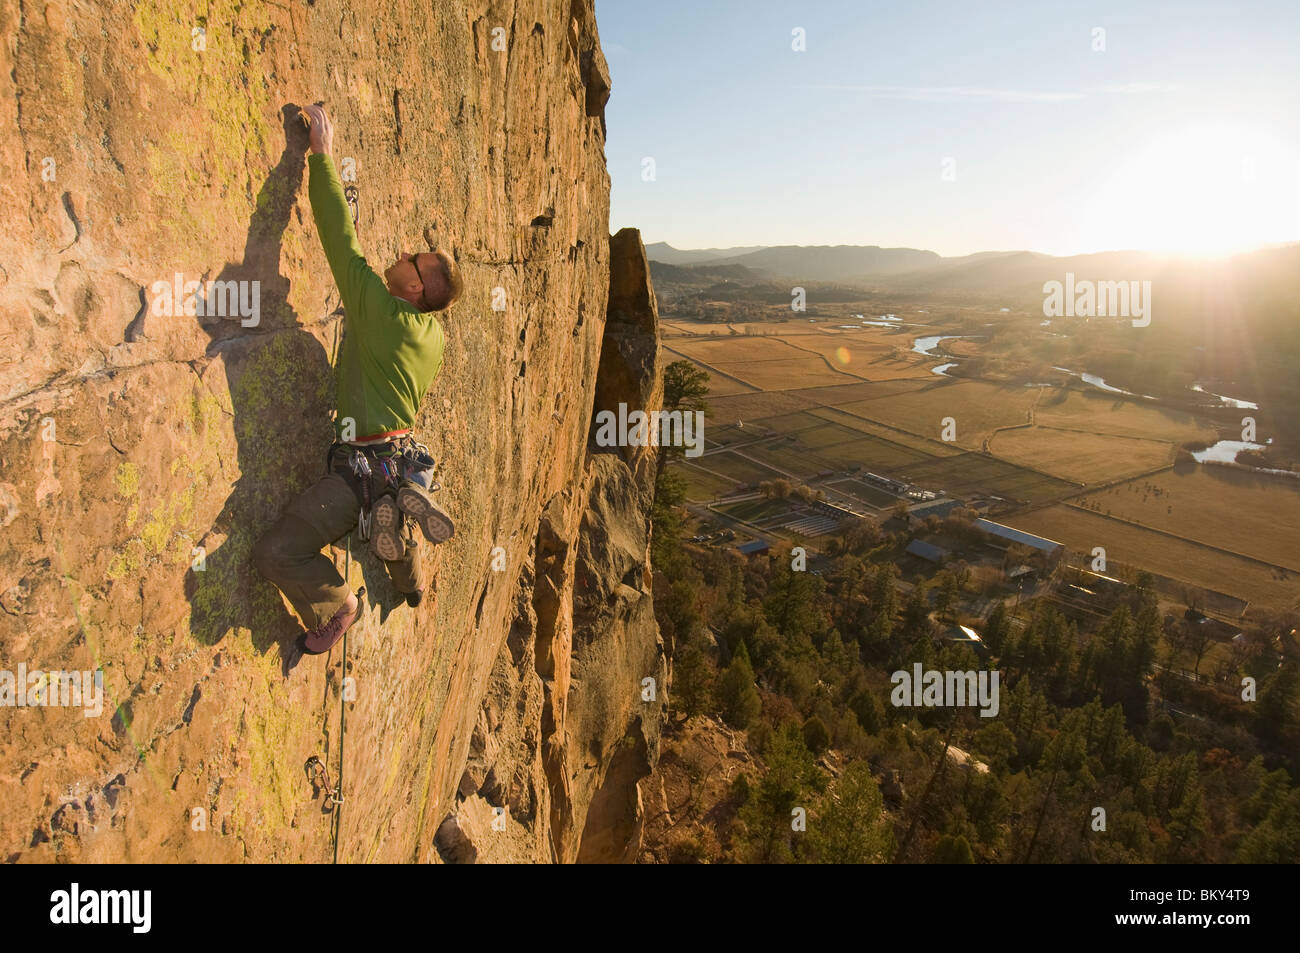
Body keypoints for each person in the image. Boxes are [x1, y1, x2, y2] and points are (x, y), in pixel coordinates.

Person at [253, 103, 462, 657]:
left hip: (356, 471)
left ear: (415, 289)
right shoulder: (432, 336)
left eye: (411, 259)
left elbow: (339, 244)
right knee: (390, 522)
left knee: (276, 551)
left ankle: (339, 605)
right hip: (396, 453)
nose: (401, 254)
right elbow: (367, 274)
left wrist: (320, 155)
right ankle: (409, 577)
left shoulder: (378, 309)